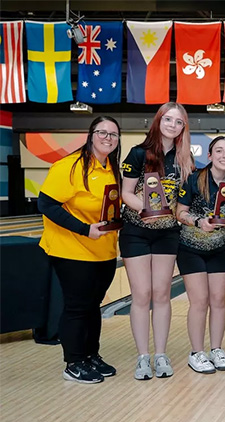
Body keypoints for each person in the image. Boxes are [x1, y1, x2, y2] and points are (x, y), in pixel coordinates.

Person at [38, 116, 122, 383]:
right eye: (103, 133)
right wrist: (85, 229)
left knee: (93, 305)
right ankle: (74, 362)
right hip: (71, 249)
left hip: (103, 251)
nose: (108, 138)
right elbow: (46, 205)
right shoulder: (70, 166)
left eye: (113, 135)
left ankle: (90, 356)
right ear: (91, 135)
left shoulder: (111, 167)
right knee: (77, 306)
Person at [120, 102, 195, 380]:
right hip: (136, 232)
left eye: (178, 122)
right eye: (168, 119)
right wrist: (145, 209)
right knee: (141, 295)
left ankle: (161, 354)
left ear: (182, 128)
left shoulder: (184, 159)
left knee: (162, 294)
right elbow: (126, 192)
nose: (172, 125)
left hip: (166, 233)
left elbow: (180, 203)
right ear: (158, 120)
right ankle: (143, 357)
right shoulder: (138, 153)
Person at [175, 137, 225, 374]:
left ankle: (217, 349)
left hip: (220, 248)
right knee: (200, 301)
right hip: (191, 247)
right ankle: (197, 352)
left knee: (219, 300)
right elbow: (180, 212)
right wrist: (199, 221)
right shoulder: (194, 179)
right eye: (219, 151)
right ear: (210, 155)